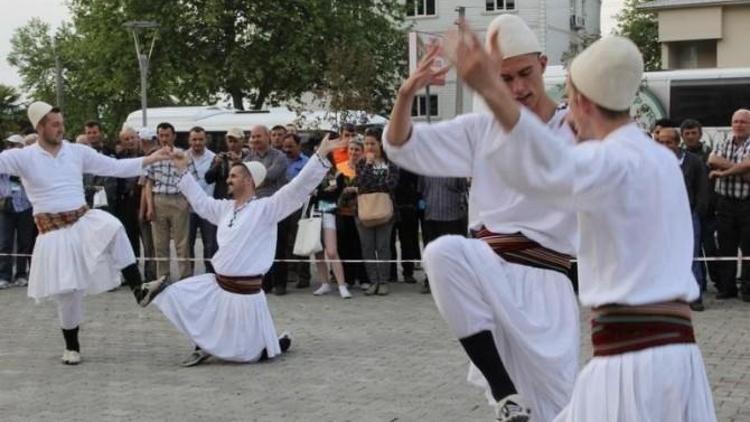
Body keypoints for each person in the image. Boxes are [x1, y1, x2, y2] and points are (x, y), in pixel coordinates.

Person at [452, 26, 715, 419]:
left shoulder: (610, 161)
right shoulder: (659, 157)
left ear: (581, 102)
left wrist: (490, 90)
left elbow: (545, 165)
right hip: (675, 356)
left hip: (630, 363)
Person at [383, 15, 579, 422]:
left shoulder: (573, 127)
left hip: (547, 282)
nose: (518, 88)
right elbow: (402, 146)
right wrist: (405, 95)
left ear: (543, 64)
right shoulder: (480, 129)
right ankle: (503, 391)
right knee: (442, 253)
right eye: (503, 79)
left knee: (560, 408)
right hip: (489, 267)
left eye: (525, 73)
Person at [145, 135, 346, 366]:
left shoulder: (266, 209)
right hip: (218, 286)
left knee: (248, 355)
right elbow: (200, 202)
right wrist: (182, 169)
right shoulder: (224, 209)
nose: (228, 180)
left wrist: (319, 156)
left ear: (249, 181)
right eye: (228, 175)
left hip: (245, 295)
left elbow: (295, 189)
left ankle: (270, 344)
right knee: (179, 296)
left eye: (233, 176)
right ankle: (208, 343)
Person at [0, 102, 171, 365]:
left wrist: (151, 159)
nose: (61, 128)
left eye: (62, 123)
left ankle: (139, 289)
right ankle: (71, 347)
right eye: (55, 124)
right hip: (53, 233)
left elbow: (114, 167)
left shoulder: (76, 151)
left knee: (114, 227)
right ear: (40, 127)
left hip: (82, 219)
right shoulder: (22, 157)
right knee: (69, 294)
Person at [355, 128, 399, 296]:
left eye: (372, 143)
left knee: (383, 246)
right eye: (366, 144)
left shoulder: (391, 162)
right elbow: (361, 182)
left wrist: (374, 183)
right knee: (367, 247)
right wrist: (368, 164)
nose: (369, 147)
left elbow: (391, 184)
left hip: (385, 211)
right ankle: (373, 281)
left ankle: (383, 281)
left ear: (380, 143)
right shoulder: (361, 163)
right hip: (364, 211)